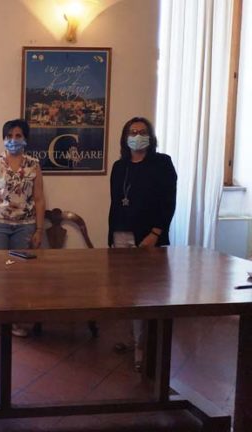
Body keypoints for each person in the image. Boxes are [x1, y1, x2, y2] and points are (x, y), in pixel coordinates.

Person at [108, 116, 177, 372]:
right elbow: (116, 204)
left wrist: (156, 233)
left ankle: (143, 349)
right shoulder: (120, 166)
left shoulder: (162, 163)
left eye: (142, 131)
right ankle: (132, 339)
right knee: (127, 293)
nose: (137, 136)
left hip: (151, 238)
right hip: (122, 238)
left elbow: (168, 202)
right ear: (125, 138)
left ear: (150, 136)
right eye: (133, 132)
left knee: (147, 294)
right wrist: (112, 238)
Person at [0, 119, 45, 337]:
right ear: (3, 139)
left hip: (24, 227)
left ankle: (15, 320)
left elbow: (39, 199)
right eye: (9, 136)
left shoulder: (34, 165)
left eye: (18, 136)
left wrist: (39, 230)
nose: (13, 140)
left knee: (18, 274)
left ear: (25, 138)